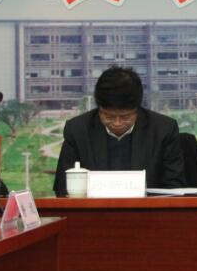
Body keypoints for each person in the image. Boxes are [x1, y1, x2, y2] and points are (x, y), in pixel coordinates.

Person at [53, 66, 186, 194]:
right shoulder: (77, 130)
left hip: (148, 208)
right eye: (108, 116)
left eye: (125, 117)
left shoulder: (163, 130)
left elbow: (174, 187)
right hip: (94, 209)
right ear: (99, 108)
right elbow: (63, 187)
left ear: (137, 109)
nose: (117, 123)